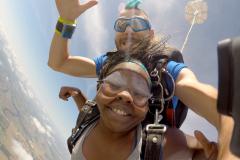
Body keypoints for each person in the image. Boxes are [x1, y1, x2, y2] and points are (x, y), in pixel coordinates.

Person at [49, 0, 238, 159]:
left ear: (151, 34)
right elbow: (59, 62)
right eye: (122, 24)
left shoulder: (168, 70)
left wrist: (229, 152)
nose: (129, 30)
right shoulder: (108, 63)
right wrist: (66, 20)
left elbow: (223, 112)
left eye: (138, 24)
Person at [60, 54, 218, 160]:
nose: (125, 95)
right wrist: (77, 94)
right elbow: (89, 112)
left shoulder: (158, 145)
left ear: (145, 109)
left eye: (140, 92)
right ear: (99, 88)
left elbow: (203, 150)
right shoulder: (88, 117)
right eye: (114, 83)